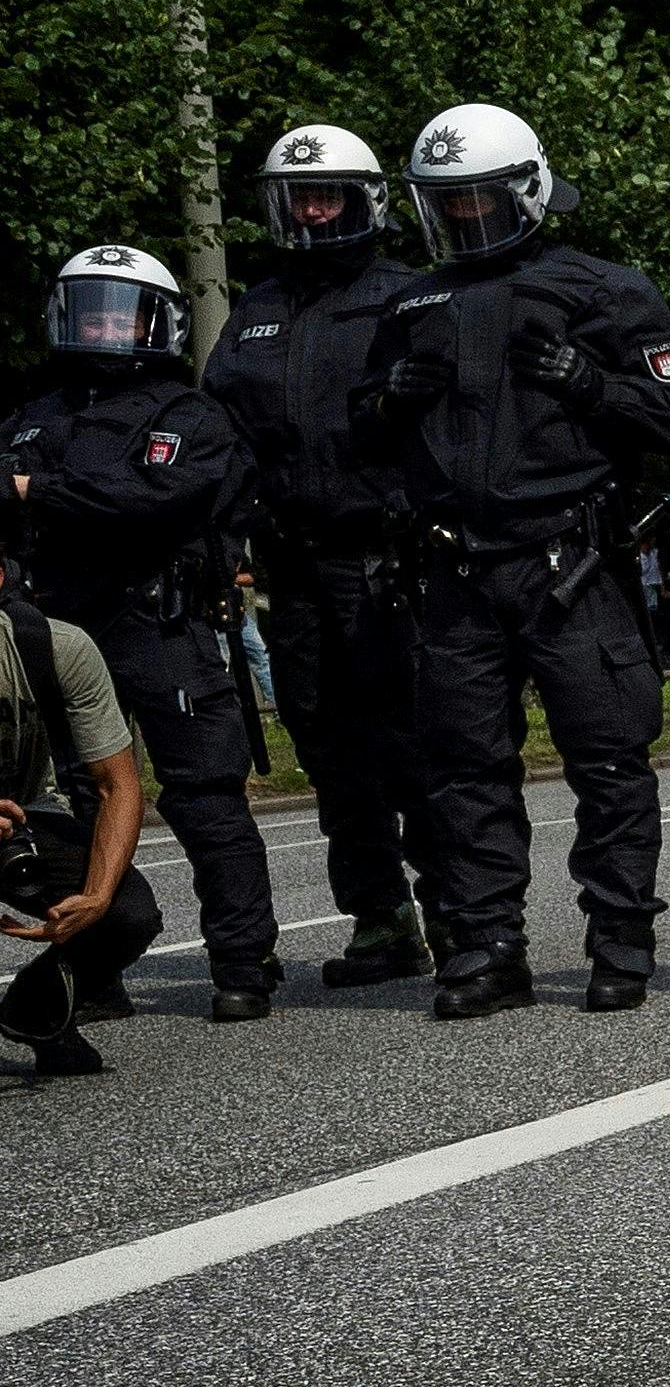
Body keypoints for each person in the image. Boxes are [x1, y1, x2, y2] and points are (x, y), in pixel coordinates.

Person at [365, 102, 670, 1019]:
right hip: (455, 572)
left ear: (527, 191)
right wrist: (386, 404)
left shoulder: (605, 290)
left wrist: (596, 385)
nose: (463, 217)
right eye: (445, 203)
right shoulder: (411, 302)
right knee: (463, 769)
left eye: (479, 198)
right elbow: (361, 441)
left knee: (607, 759)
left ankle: (620, 940)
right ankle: (485, 948)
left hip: (571, 564)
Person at [5, 246, 275, 1024]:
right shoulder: (35, 412)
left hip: (155, 623)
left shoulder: (186, 412)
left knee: (205, 798)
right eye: (89, 308)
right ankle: (97, 967)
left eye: (121, 311)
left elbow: (151, 499)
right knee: (83, 801)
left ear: (160, 322)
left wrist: (31, 488)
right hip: (57, 628)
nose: (102, 325)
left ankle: (243, 960)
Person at [206, 125, 443, 992]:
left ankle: (461, 908)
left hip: (391, 558)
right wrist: (217, 546)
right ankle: (381, 920)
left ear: (364, 199)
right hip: (295, 565)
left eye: (328, 193)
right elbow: (219, 437)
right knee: (329, 745)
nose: (311, 209)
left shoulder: (412, 297)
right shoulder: (257, 310)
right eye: (297, 196)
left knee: (415, 736)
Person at [0, 563, 155, 1076]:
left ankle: (36, 1006)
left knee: (126, 913)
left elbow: (118, 784)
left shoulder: (53, 647)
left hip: (20, 822)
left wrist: (98, 895)